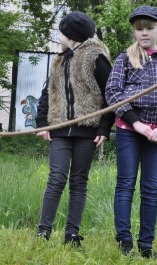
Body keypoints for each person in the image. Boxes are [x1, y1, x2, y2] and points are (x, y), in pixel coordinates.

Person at [105, 6, 157, 259]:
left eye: (149, 28)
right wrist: (136, 123)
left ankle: (147, 246)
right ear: (134, 31)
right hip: (129, 131)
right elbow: (113, 92)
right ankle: (125, 243)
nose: (144, 33)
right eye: (139, 29)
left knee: (151, 189)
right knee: (126, 184)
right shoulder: (124, 59)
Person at [35, 11, 115, 246]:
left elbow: (110, 96)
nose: (58, 35)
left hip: (87, 130)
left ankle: (71, 234)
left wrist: (104, 128)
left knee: (79, 181)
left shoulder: (95, 57)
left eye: (61, 31)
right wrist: (42, 124)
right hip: (59, 129)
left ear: (70, 35)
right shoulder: (58, 60)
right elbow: (46, 94)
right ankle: (43, 231)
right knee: (56, 177)